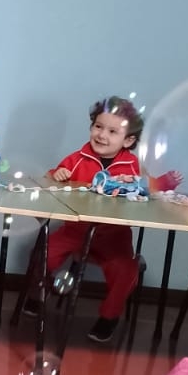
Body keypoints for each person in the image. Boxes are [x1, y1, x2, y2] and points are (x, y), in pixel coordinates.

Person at [42, 96, 147, 343]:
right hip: (75, 232)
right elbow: (50, 179)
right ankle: (37, 296)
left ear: (128, 140)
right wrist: (57, 174)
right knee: (44, 252)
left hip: (113, 238)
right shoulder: (77, 158)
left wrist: (139, 186)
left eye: (112, 131)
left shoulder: (132, 166)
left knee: (126, 271)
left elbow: (144, 192)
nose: (102, 135)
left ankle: (109, 317)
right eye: (98, 127)